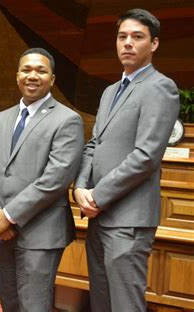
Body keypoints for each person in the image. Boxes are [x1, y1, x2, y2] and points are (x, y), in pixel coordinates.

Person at [73, 8, 180, 312]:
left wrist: (98, 194)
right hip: (98, 216)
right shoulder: (110, 92)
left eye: (137, 36)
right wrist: (80, 187)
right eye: (122, 36)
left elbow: (146, 156)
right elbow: (94, 144)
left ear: (154, 44)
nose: (128, 43)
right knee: (102, 302)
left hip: (128, 221)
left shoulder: (161, 88)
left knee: (125, 305)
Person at [0, 48, 84, 312]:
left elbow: (56, 178)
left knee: (33, 306)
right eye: (26, 69)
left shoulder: (67, 120)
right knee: (10, 303)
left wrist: (10, 215)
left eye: (41, 70)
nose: (32, 75)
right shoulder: (2, 119)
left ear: (52, 78)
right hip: (2, 231)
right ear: (17, 76)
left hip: (41, 232)